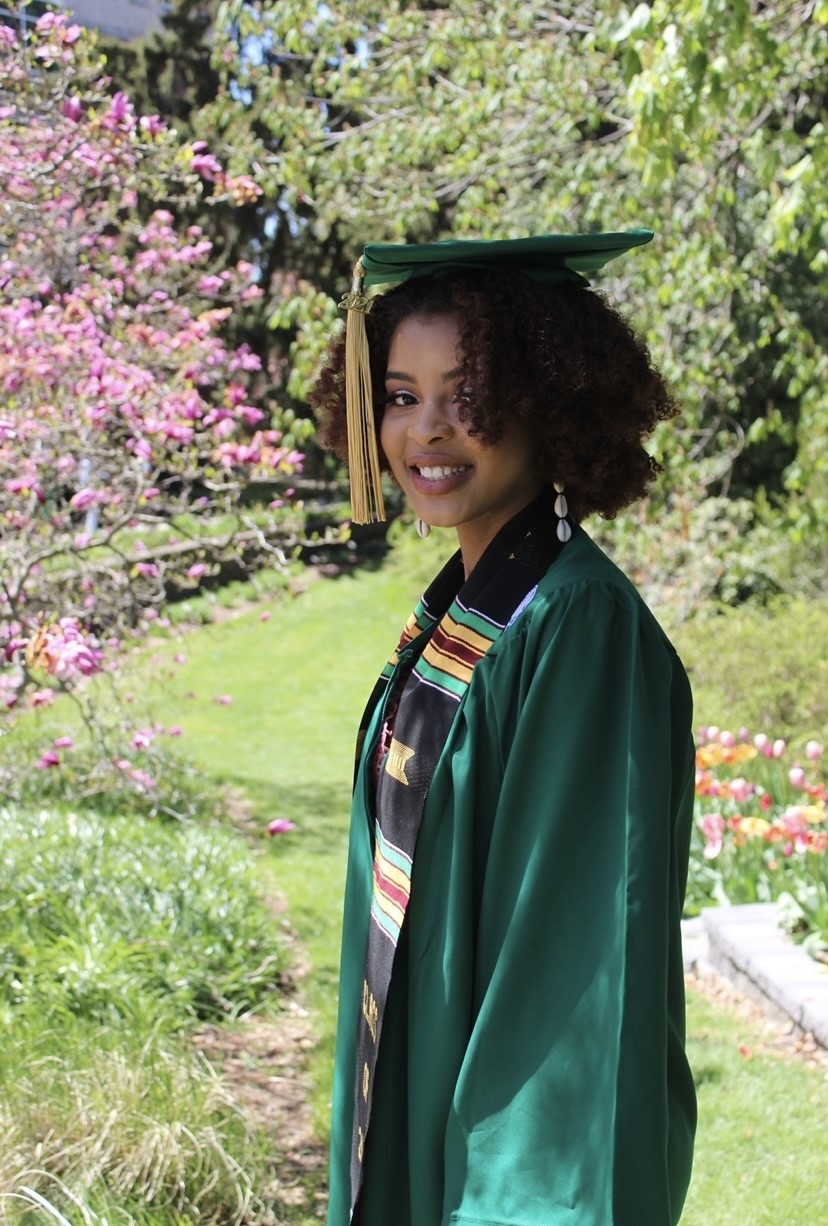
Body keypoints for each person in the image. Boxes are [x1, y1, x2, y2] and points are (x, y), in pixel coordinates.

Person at [309, 232, 697, 1226]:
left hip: (505, 1179)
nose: (427, 430)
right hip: (419, 1111)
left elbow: (570, 983)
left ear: (552, 404)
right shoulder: (465, 607)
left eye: (469, 393)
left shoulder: (576, 624)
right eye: (400, 394)